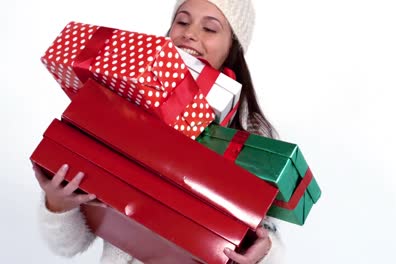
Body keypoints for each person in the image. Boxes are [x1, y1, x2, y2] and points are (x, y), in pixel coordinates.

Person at [34, 0, 284, 263]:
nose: (190, 33)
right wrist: (57, 204)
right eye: (182, 22)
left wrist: (262, 256)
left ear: (233, 47)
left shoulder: (252, 136)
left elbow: (266, 237)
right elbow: (68, 247)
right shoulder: (119, 104)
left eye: (210, 28)